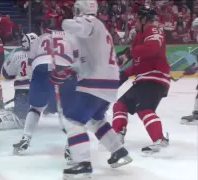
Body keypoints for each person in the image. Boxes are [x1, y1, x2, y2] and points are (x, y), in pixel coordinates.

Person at [60, 0, 132, 179]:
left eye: (77, 9)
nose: (75, 13)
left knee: (73, 119)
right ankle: (118, 151)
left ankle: (82, 163)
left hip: (96, 80)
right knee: (95, 120)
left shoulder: (89, 21)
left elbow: (81, 27)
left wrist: (63, 23)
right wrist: (73, 68)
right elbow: (90, 57)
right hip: (110, 80)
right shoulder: (101, 29)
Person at [12, 21, 79, 156]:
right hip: (63, 69)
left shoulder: (40, 38)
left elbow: (30, 63)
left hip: (41, 69)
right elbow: (77, 62)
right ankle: (71, 145)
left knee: (35, 108)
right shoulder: (72, 38)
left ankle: (25, 138)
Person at [111, 4, 170, 155]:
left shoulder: (153, 29)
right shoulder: (139, 36)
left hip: (154, 78)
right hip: (144, 79)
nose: (135, 21)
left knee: (144, 109)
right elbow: (138, 64)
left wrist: (130, 52)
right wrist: (123, 75)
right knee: (120, 105)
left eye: (138, 18)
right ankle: (118, 134)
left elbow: (154, 47)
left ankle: (160, 140)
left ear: (144, 19)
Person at [0, 33, 38, 130]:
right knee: (33, 113)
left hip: (22, 92)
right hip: (41, 91)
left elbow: (7, 75)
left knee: (22, 119)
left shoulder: (16, 55)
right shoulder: (43, 57)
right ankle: (2, 117)